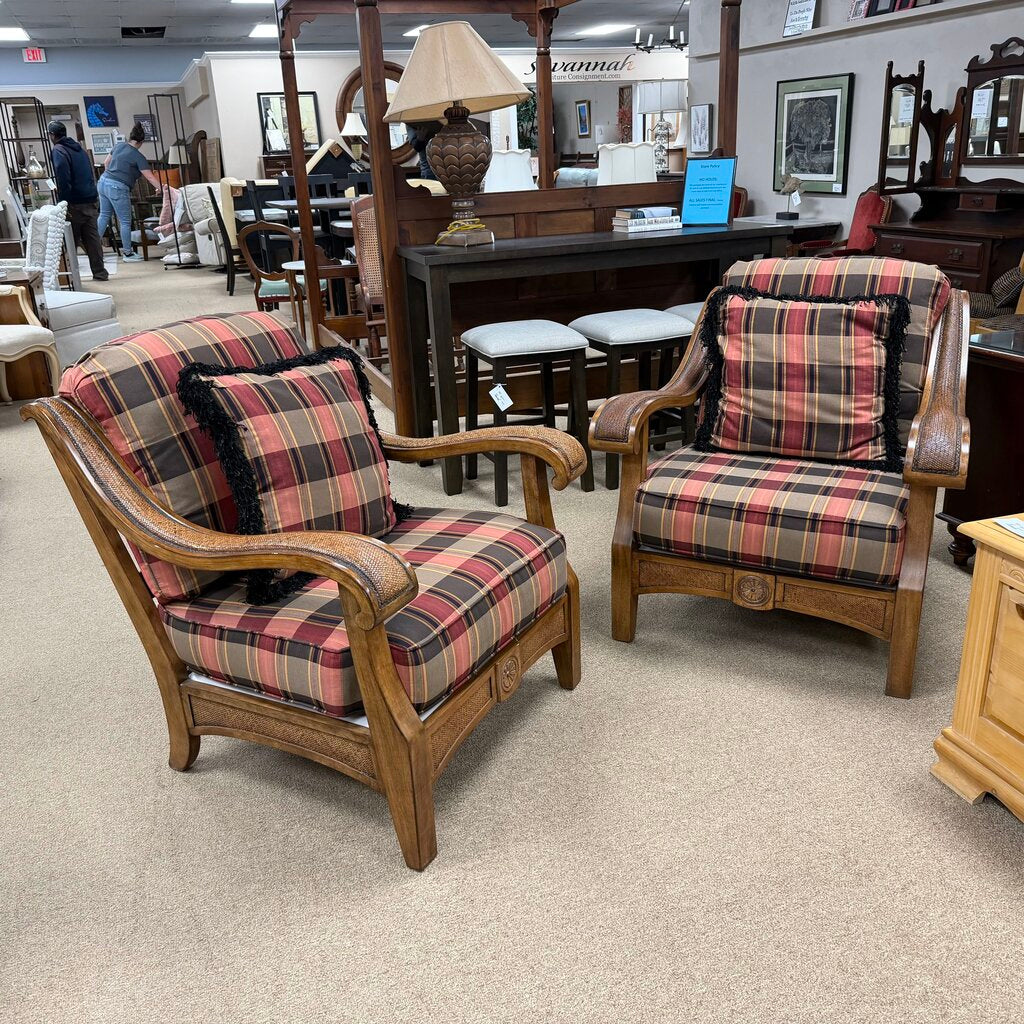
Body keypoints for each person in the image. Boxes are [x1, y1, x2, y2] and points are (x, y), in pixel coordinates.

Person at [47, 120, 108, 282]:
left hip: (74, 202)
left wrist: (63, 202)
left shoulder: (59, 150)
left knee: (70, 240)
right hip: (91, 198)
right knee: (92, 238)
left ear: (52, 135)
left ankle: (70, 277)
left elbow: (63, 177)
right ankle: (100, 272)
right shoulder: (80, 149)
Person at [96, 123, 163, 263]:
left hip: (103, 182)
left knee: (103, 216)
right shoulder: (138, 156)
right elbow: (150, 177)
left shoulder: (118, 146)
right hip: (117, 187)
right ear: (141, 142)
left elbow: (106, 163)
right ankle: (128, 254)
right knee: (125, 221)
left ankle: (94, 251)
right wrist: (162, 189)